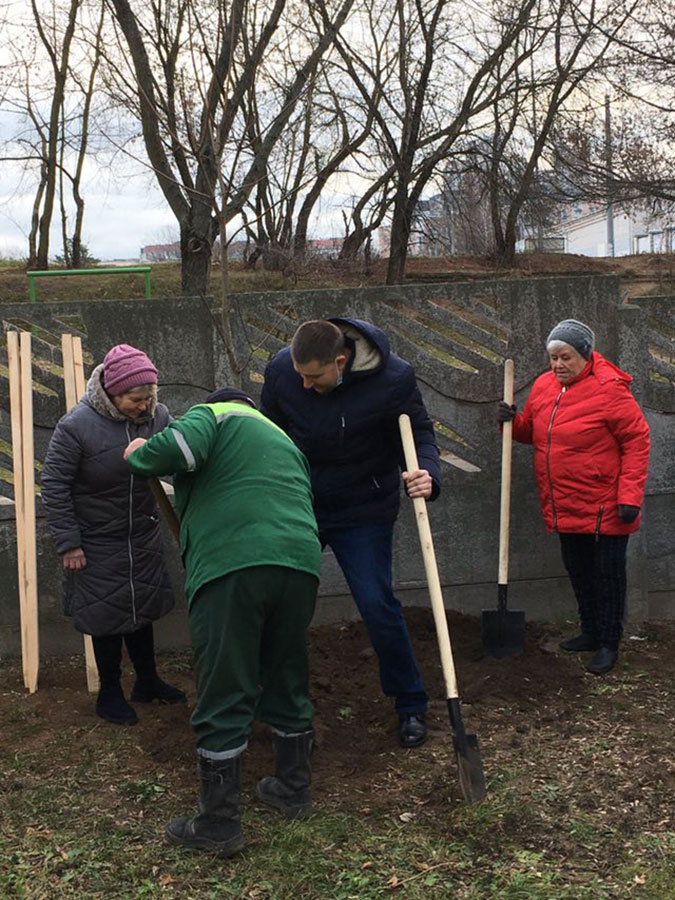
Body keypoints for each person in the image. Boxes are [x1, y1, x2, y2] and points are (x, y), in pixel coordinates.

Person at [123, 387, 322, 858]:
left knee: (224, 683)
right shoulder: (280, 437)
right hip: (299, 561)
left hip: (235, 562)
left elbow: (177, 449)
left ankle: (218, 823)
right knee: (286, 673)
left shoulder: (213, 414)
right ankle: (293, 790)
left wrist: (140, 453)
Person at [261, 317, 441, 748]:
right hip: (302, 503)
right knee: (275, 599)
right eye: (300, 375)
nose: (304, 385)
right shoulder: (282, 371)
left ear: (340, 361)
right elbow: (267, 431)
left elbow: (419, 432)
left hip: (364, 505)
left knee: (377, 603)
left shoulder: (393, 379)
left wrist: (427, 473)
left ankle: (410, 702)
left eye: (315, 376)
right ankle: (269, 698)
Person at [41, 344, 185, 725]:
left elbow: (179, 454)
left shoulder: (159, 417)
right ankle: (109, 692)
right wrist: (69, 542)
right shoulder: (76, 427)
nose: (144, 406)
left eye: (150, 397)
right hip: (96, 539)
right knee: (106, 615)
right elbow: (54, 484)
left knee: (142, 608)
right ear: (112, 393)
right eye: (136, 399)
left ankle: (148, 682)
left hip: (142, 532)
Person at [497, 319, 650, 675]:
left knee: (608, 576)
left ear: (584, 355)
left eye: (565, 357)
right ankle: (590, 632)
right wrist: (510, 420)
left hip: (605, 504)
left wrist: (630, 496)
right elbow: (533, 433)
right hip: (564, 501)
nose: (558, 365)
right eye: (552, 358)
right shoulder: (544, 386)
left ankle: (610, 643)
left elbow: (637, 441)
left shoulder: (609, 389)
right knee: (579, 571)